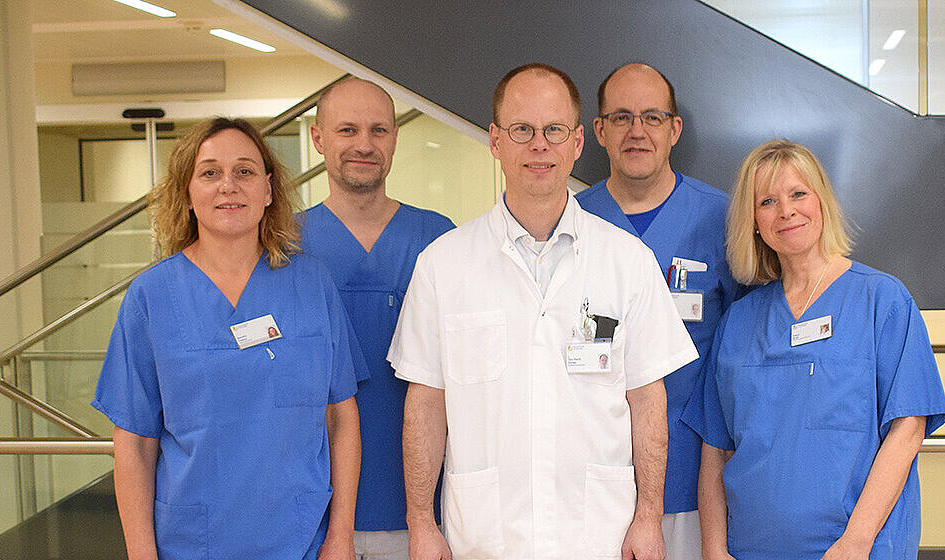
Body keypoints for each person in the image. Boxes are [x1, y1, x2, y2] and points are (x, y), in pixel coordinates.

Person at [390, 63, 696, 560]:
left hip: (599, 536)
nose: (539, 145)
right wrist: (421, 521)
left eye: (553, 130)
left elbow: (648, 401)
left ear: (577, 142)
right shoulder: (442, 265)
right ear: (495, 141)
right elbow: (425, 404)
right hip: (485, 539)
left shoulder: (627, 261)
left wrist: (648, 517)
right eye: (522, 130)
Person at [93, 118, 366, 560]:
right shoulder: (152, 297)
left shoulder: (312, 283)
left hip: (302, 539)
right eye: (210, 173)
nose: (229, 186)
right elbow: (134, 443)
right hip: (192, 542)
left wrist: (341, 538)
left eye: (244, 171)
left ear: (268, 190)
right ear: (187, 193)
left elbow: (342, 418)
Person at [684, 140, 945, 560]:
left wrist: (855, 544)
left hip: (854, 549)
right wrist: (715, 551)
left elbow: (908, 429)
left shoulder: (881, 300)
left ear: (821, 200)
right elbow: (716, 448)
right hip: (751, 549)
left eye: (798, 194)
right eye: (767, 201)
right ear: (753, 222)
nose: (786, 211)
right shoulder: (740, 320)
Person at [576, 62, 744, 560]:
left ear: (675, 129)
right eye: (622, 117)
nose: (637, 131)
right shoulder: (572, 222)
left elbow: (749, 344)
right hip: (591, 475)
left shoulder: (723, 220)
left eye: (652, 117)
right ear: (599, 131)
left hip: (697, 478)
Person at [300, 77, 457, 560]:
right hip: (313, 514)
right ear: (318, 137)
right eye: (347, 130)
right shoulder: (284, 246)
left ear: (394, 138)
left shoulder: (440, 239)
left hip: (423, 514)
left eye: (379, 130)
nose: (364, 145)